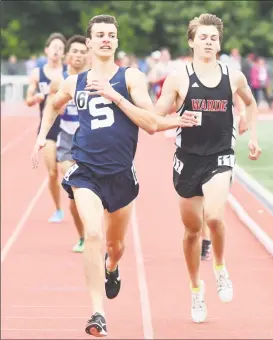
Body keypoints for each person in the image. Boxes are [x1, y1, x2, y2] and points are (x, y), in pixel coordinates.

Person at [31, 15, 196, 337]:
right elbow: (53, 104)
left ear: (116, 42)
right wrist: (41, 135)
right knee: (92, 233)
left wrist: (117, 97)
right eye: (100, 35)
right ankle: (97, 313)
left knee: (115, 244)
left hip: (120, 174)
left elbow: (150, 122)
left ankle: (111, 266)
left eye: (111, 35)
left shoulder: (131, 78)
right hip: (85, 170)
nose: (106, 39)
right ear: (89, 42)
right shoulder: (74, 82)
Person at [154, 13, 262, 323]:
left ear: (219, 42)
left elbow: (251, 103)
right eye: (203, 37)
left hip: (220, 156)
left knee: (214, 216)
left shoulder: (233, 76)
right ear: (191, 41)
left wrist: (250, 133)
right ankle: (196, 289)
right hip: (187, 160)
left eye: (213, 38)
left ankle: (219, 268)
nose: (208, 42)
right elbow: (156, 116)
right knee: (190, 231)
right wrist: (175, 119)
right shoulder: (178, 78)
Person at [49, 35, 89, 252]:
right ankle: (83, 236)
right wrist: (57, 109)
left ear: (88, 55)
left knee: (94, 194)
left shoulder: (95, 80)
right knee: (74, 192)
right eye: (75, 51)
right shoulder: (59, 81)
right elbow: (50, 107)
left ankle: (94, 230)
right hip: (66, 140)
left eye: (83, 52)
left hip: (91, 141)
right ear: (67, 56)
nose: (79, 55)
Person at [26, 32, 67, 223]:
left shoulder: (68, 73)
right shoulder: (37, 73)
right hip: (48, 125)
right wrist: (36, 98)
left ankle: (78, 203)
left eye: (60, 48)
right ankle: (58, 208)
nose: (57, 51)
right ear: (46, 50)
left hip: (68, 125)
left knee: (66, 168)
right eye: (54, 47)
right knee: (52, 172)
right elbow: (28, 100)